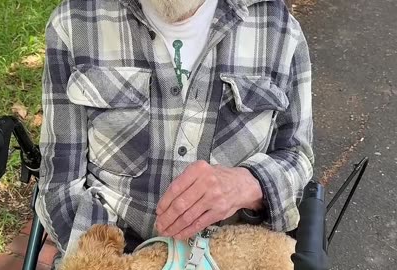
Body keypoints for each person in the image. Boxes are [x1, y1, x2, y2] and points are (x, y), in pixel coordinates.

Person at [36, 0, 313, 266]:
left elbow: (297, 157)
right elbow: (60, 183)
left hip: (231, 258)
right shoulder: (74, 23)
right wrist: (105, 262)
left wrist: (249, 184)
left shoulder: (280, 30)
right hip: (116, 260)